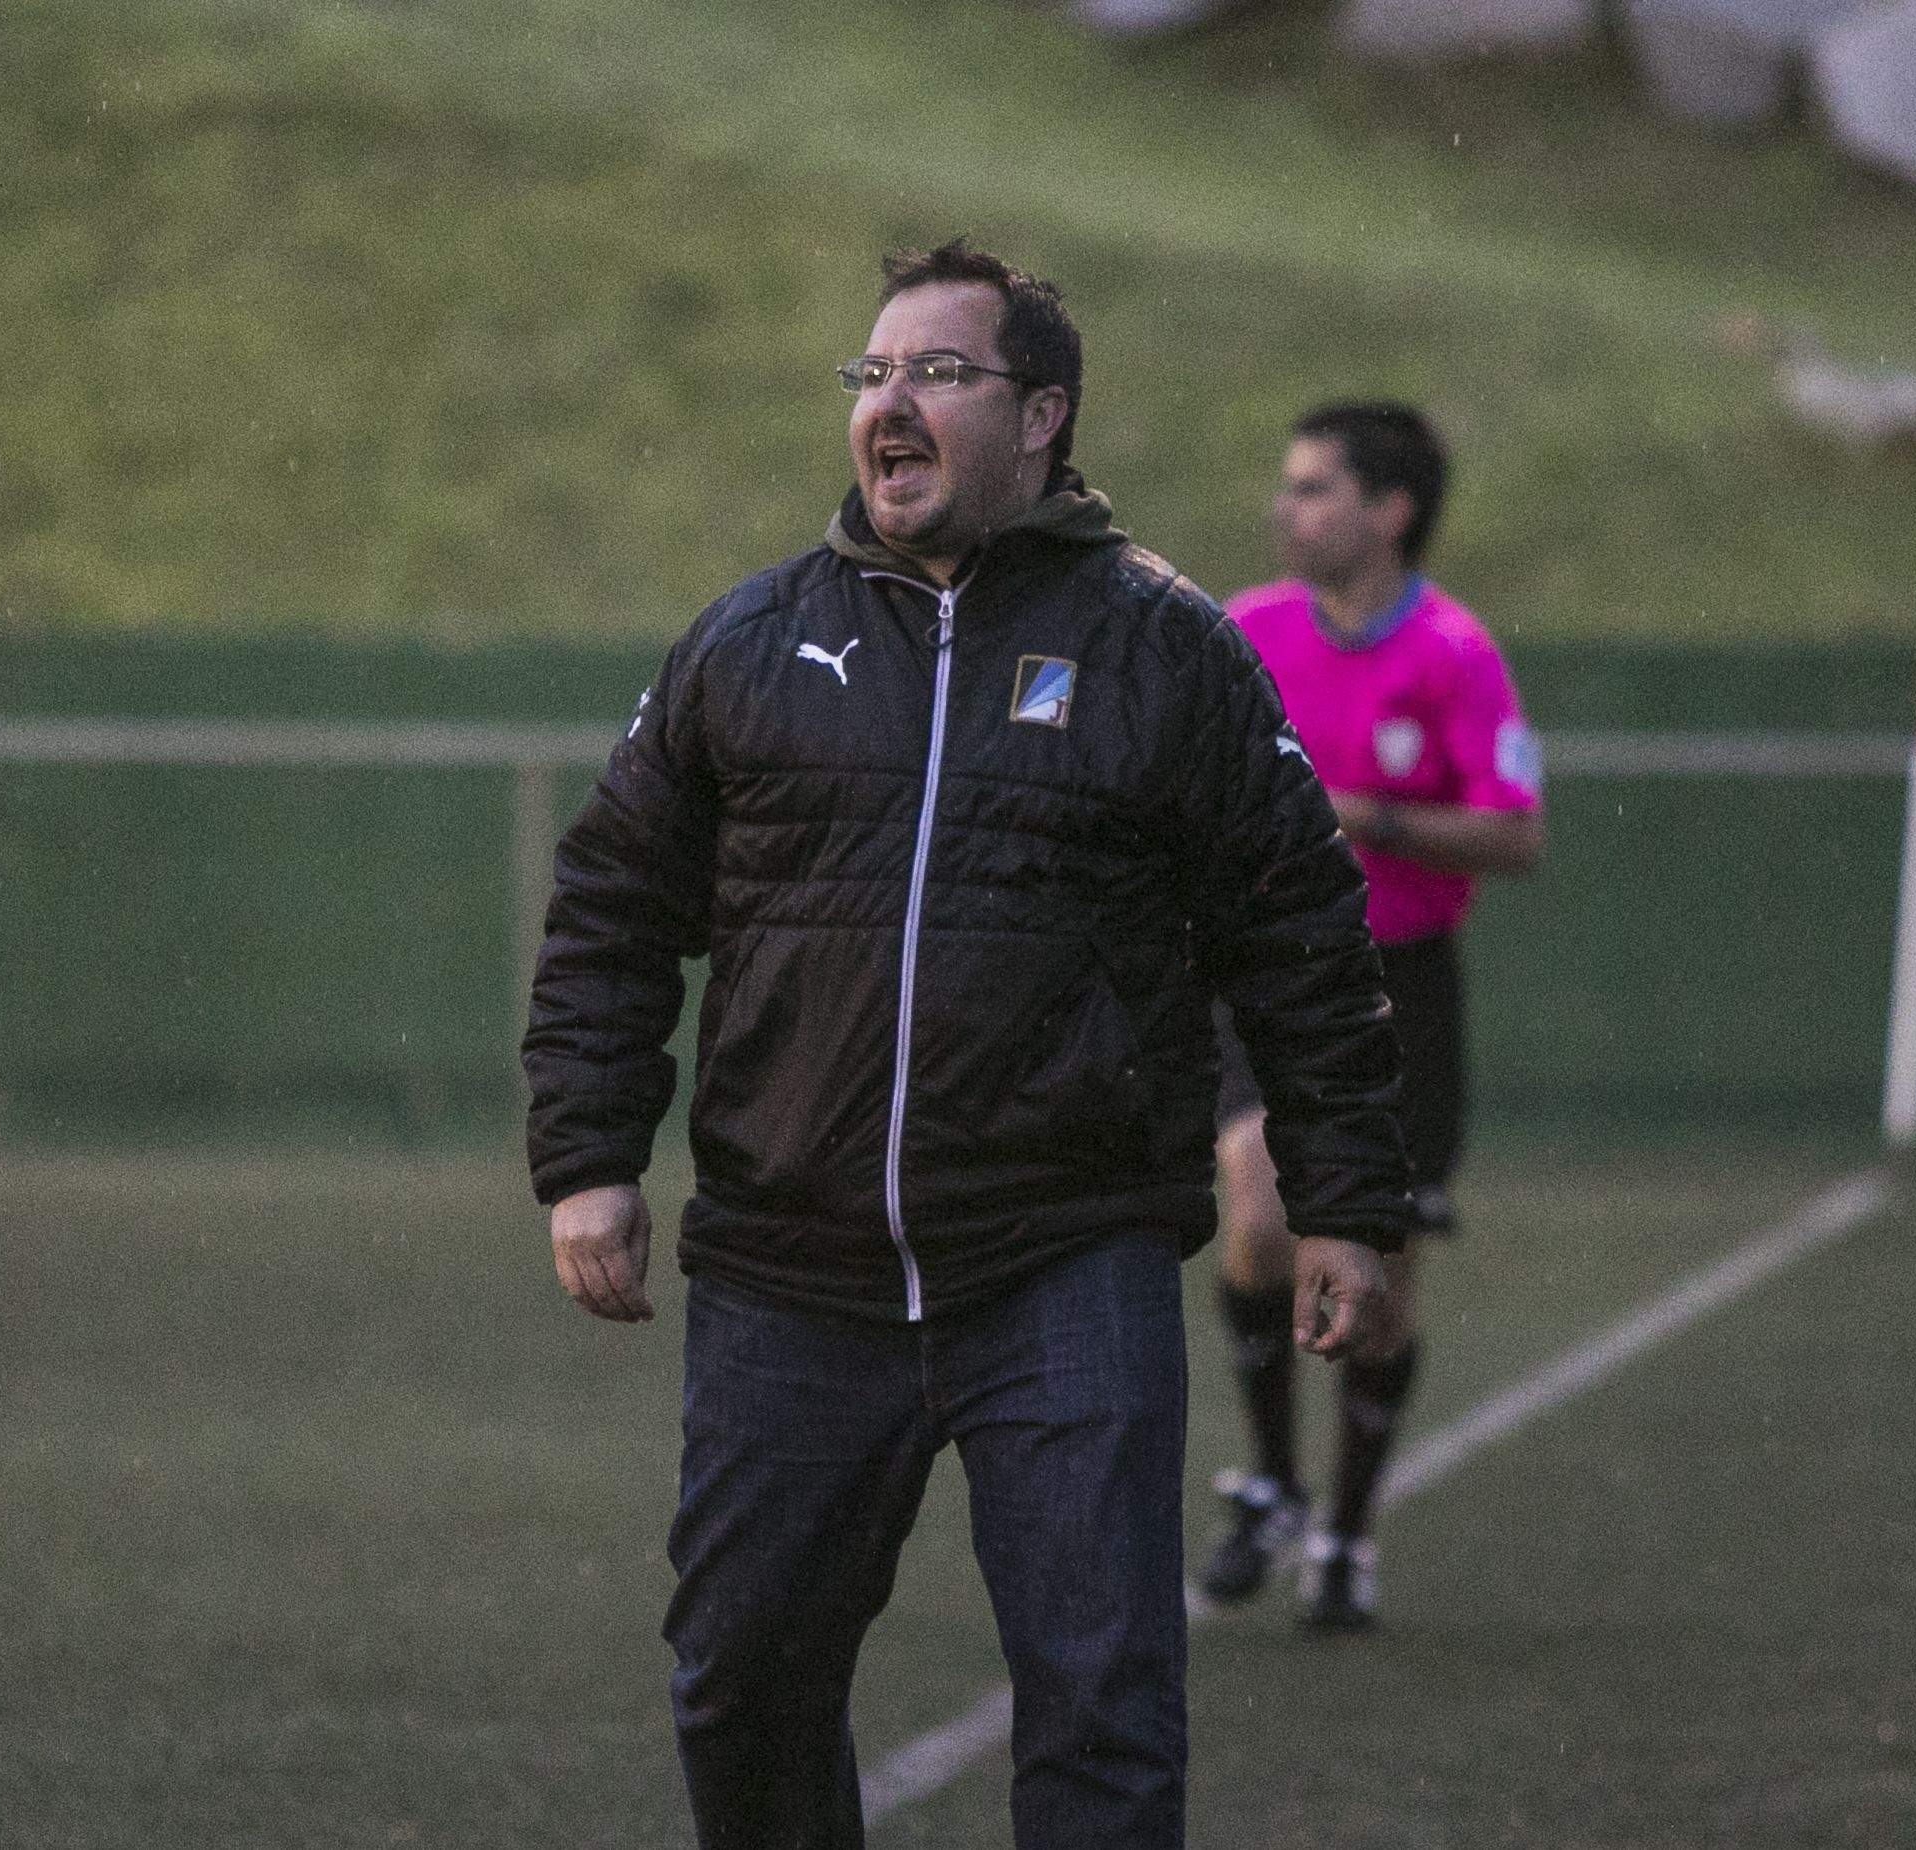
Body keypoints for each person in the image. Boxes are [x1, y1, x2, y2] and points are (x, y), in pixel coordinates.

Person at [522, 241, 1417, 1850]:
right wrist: (587, 1156)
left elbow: (1299, 931)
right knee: (740, 1680)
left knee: (1100, 1703)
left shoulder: (1167, 650)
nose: (889, 403)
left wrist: (1342, 1198)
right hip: (790, 1268)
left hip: (1062, 1257)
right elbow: (608, 906)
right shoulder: (747, 641)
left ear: (1040, 414)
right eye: (870, 374)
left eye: (935, 372)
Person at [1195, 401, 1545, 1632]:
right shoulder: (1243, 631)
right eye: (1287, 486)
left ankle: (1344, 1530)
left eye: (1314, 488)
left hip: (1402, 986)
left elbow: (1515, 832)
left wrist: (1363, 815)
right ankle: (1273, 1478)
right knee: (1257, 1207)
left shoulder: (1455, 652)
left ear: (1389, 509)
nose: (1286, 508)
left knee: (1380, 1283)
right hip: (1265, 971)